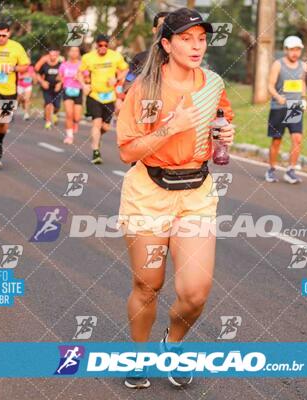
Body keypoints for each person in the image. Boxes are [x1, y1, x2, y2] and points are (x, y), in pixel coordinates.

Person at [116, 8, 234, 389]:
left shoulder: (213, 83)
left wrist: (224, 135)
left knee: (195, 292)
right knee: (149, 284)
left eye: (201, 38)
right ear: (166, 44)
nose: (197, 45)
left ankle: (173, 344)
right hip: (149, 194)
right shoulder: (146, 88)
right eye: (186, 38)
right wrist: (171, 127)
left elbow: (220, 119)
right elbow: (128, 151)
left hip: (196, 194)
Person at [0, 21, 30, 169]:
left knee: (4, 124)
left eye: (4, 35)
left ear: (8, 33)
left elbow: (26, 66)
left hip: (9, 90)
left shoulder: (16, 47)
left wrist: (13, 68)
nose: (1, 38)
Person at [79, 34, 129, 164]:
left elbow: (125, 69)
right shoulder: (88, 58)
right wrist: (84, 85)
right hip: (94, 95)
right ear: (96, 45)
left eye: (105, 45)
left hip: (109, 96)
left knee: (105, 127)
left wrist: (117, 79)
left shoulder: (115, 56)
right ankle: (96, 152)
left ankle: (97, 137)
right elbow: (79, 73)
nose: (103, 48)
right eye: (100, 45)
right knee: (96, 123)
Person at [265, 35, 307, 184]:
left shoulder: (303, 66)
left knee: (297, 139)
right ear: (286, 50)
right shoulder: (278, 64)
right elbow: (270, 85)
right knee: (277, 140)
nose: (295, 53)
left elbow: (302, 83)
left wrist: (303, 98)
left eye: (298, 49)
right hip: (279, 107)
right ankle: (271, 169)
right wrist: (278, 97)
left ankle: (291, 170)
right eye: (292, 50)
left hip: (294, 107)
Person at [59, 46, 83, 144]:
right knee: (69, 114)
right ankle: (69, 136)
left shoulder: (82, 65)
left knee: (77, 117)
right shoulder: (64, 65)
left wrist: (80, 78)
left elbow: (87, 78)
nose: (74, 53)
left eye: (76, 51)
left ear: (78, 53)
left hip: (78, 90)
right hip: (67, 90)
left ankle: (75, 122)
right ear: (69, 52)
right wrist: (59, 82)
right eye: (72, 50)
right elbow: (60, 77)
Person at [36, 49, 63, 129]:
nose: (52, 57)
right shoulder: (45, 65)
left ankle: (54, 114)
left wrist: (60, 83)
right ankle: (48, 122)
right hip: (47, 88)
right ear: (48, 56)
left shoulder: (61, 65)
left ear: (57, 56)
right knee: (48, 105)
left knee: (57, 107)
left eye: (54, 55)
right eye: (51, 55)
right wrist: (42, 82)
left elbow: (65, 75)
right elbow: (38, 74)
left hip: (57, 88)